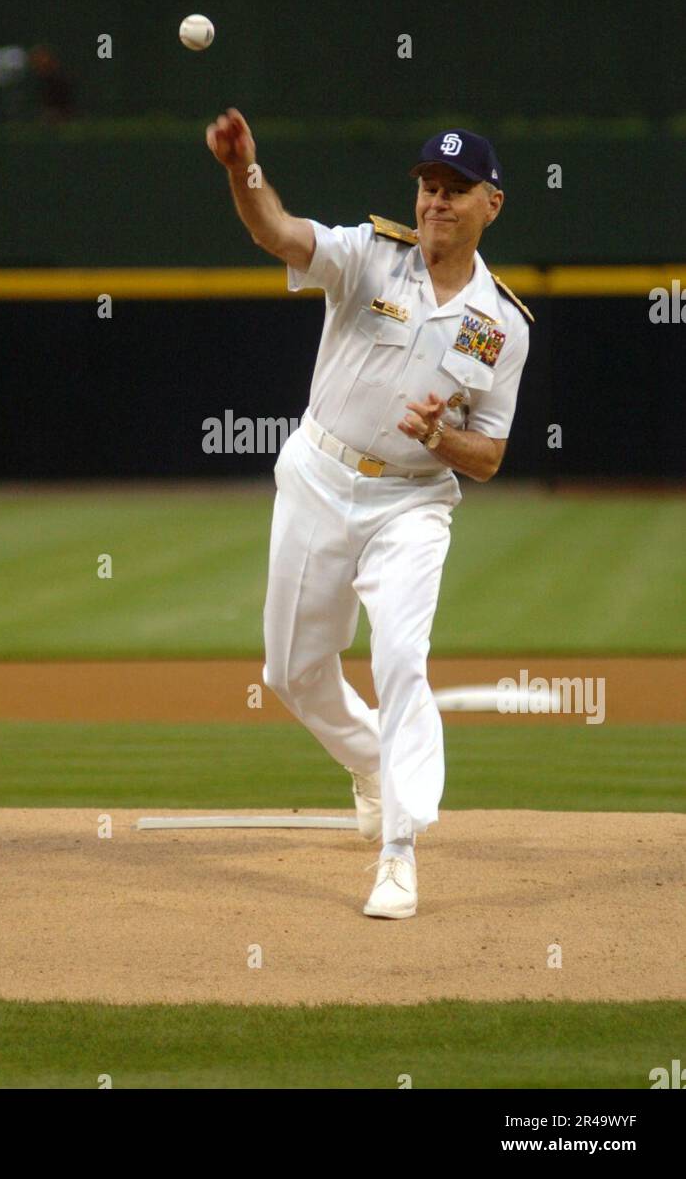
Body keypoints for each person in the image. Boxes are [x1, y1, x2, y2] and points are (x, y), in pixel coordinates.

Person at [207, 110, 534, 919]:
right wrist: (242, 167)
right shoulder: (370, 257)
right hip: (319, 477)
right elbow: (277, 232)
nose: (436, 203)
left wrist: (442, 435)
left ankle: (399, 850)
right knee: (291, 673)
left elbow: (489, 456)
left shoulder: (500, 326)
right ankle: (368, 765)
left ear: (492, 203)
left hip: (413, 501)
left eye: (457, 192)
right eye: (428, 187)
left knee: (400, 657)